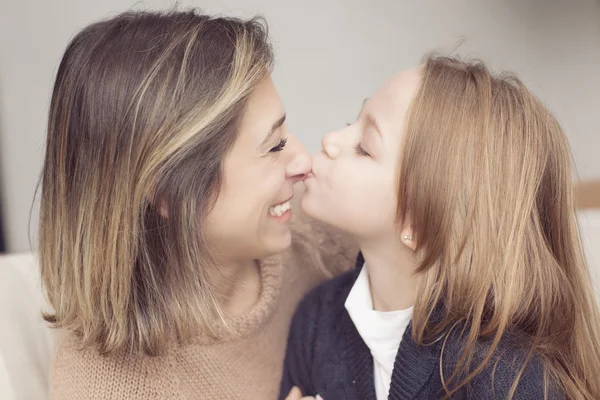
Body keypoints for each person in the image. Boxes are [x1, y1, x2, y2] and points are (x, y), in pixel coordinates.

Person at [38, 10, 356, 399]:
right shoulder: (100, 386)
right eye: (274, 146)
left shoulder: (324, 222)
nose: (304, 162)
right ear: (169, 193)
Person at [281, 55, 600, 399]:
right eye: (351, 121)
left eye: (364, 148)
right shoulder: (317, 320)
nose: (330, 139)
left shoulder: (506, 380)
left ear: (420, 224)